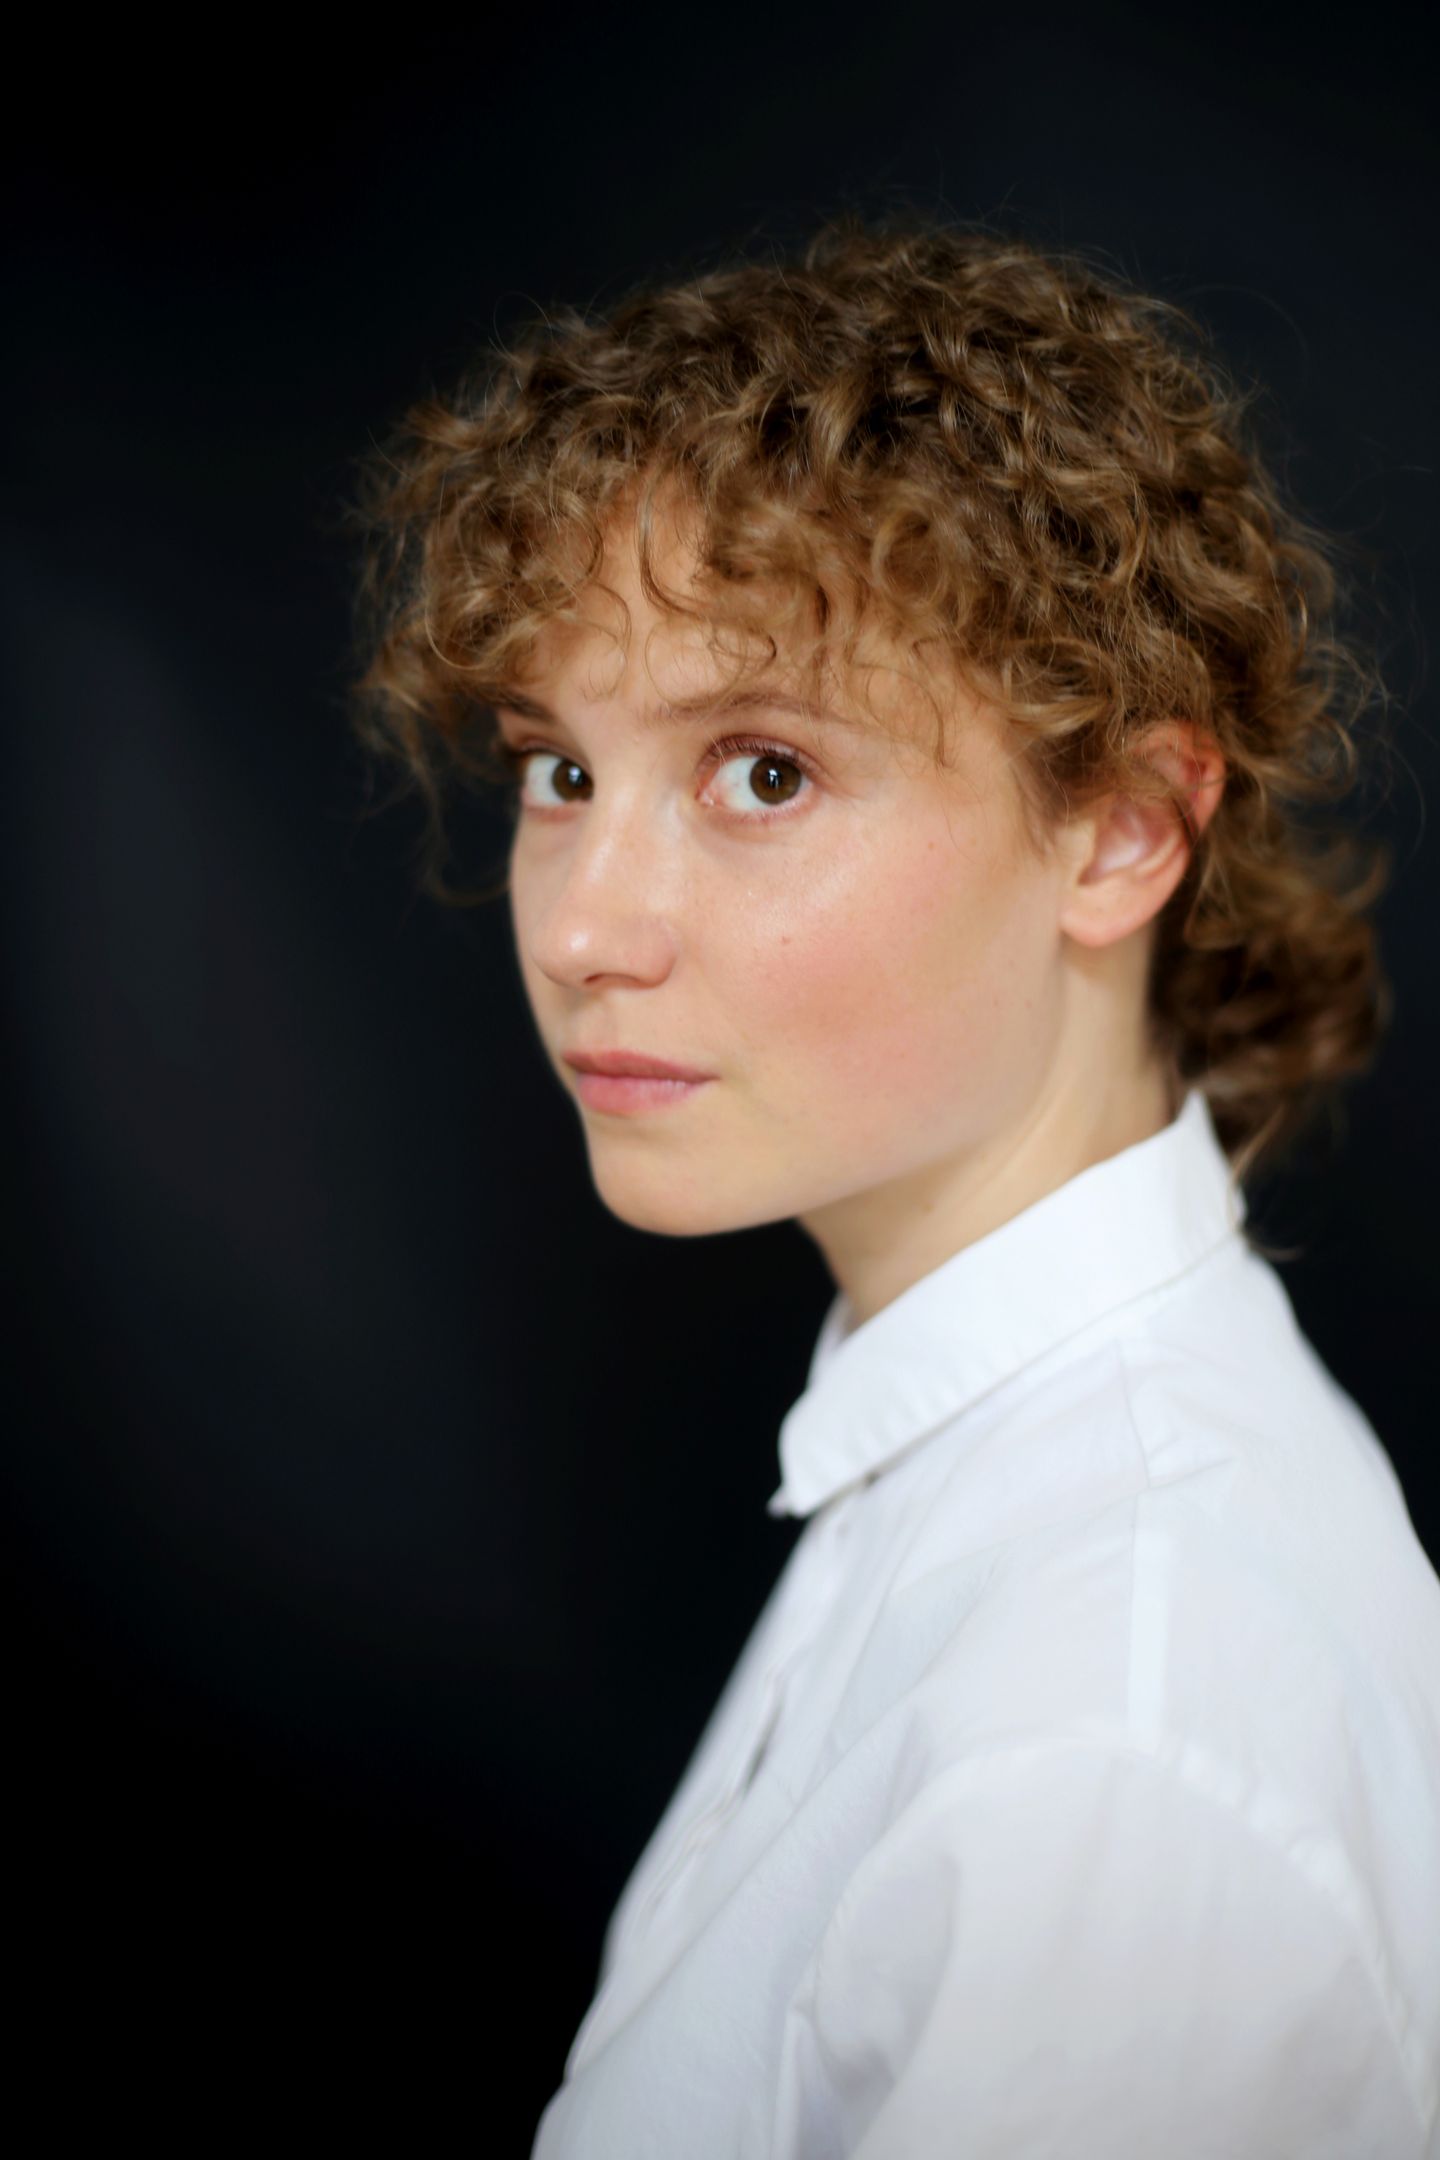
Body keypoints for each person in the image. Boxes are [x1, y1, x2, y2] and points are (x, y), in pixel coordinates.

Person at [347, 210, 1440, 2156]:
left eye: (761, 772)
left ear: (1120, 830)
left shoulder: (1116, 1748)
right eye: (559, 771)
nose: (582, 927)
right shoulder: (979, 1471)